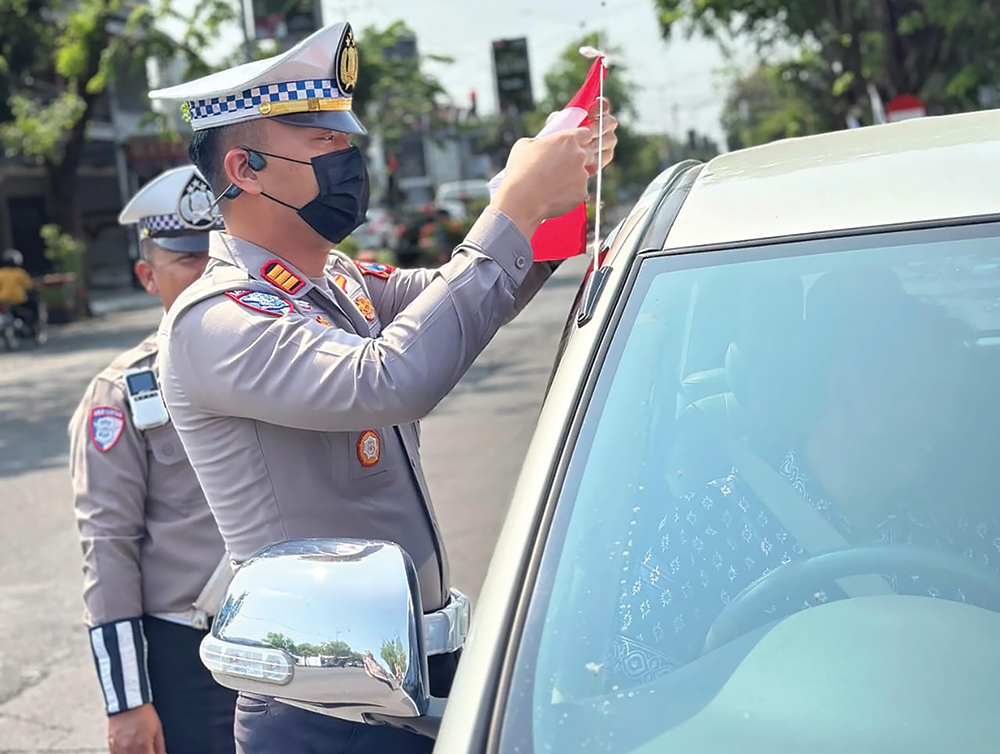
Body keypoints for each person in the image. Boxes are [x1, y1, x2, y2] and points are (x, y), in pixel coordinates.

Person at [147, 20, 617, 754]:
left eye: (345, 137)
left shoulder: (334, 279)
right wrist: (514, 209)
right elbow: (390, 378)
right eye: (321, 142)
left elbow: (465, 298)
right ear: (245, 167)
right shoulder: (219, 319)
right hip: (322, 704)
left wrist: (551, 193)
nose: (349, 156)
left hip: (414, 675)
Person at [611, 267, 986, 686]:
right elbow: (632, 699)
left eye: (955, 403)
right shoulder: (705, 529)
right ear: (845, 389)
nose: (948, 422)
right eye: (925, 396)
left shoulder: (968, 532)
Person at [69, 165, 237, 754]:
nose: (208, 272)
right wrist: (127, 703)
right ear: (147, 275)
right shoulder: (121, 394)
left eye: (219, 253)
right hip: (191, 659)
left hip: (295, 643)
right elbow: (107, 547)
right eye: (188, 259)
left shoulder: (279, 357)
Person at [0, 248, 40, 325]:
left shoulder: (1, 273)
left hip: (2, 301)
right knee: (33, 304)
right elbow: (29, 286)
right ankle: (34, 324)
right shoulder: (20, 273)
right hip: (18, 301)